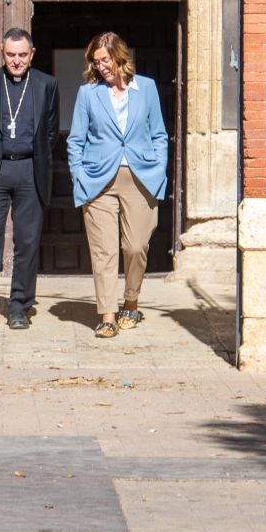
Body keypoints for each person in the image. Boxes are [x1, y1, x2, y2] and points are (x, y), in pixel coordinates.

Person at [67, 31, 168, 339]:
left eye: (106, 60)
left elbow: (159, 134)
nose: (101, 67)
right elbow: (76, 140)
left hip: (140, 177)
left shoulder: (146, 88)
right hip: (98, 180)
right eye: (96, 62)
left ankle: (131, 302)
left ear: (120, 56)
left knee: (135, 246)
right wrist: (79, 177)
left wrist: (159, 169)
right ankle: (107, 315)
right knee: (104, 251)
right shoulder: (88, 94)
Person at [0, 27, 59, 331]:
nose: (16, 61)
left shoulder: (47, 85)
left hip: (31, 171)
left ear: (32, 54)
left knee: (27, 242)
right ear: (1, 53)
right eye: (10, 55)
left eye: (22, 55)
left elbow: (51, 132)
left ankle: (19, 307)